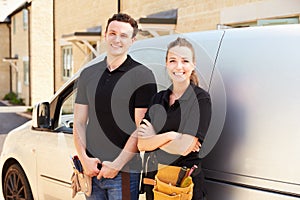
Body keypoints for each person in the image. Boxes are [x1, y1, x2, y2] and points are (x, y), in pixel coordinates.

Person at [73, 13, 157, 200]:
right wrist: (85, 160)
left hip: (125, 172)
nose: (117, 40)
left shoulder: (142, 75)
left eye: (124, 35)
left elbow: (141, 128)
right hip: (92, 170)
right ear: (105, 35)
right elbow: (78, 121)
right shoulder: (88, 74)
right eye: (112, 33)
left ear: (132, 40)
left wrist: (117, 164)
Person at [138, 37, 212, 200]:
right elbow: (141, 143)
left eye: (185, 61)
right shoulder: (157, 99)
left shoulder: (200, 100)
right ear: (166, 64)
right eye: (173, 60)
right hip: (155, 179)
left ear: (193, 65)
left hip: (184, 183)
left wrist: (154, 138)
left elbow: (184, 148)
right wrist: (171, 136)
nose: (179, 66)